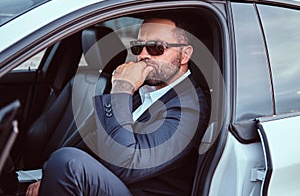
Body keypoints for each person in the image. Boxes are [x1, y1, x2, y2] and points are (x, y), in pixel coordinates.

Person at [26, 16, 209, 196]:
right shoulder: (145, 90)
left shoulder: (190, 109)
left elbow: (126, 165)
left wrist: (122, 88)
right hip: (115, 184)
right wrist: (50, 176)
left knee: (67, 163)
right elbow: (97, 141)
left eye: (156, 48)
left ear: (185, 54)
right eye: (138, 47)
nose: (143, 55)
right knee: (60, 162)